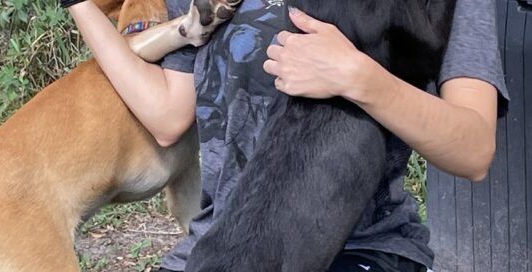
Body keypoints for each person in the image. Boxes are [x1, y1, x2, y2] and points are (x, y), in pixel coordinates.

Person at [61, 0, 509, 271]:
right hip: (221, 244)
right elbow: (167, 117)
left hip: (361, 246)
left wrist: (361, 79)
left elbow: (473, 150)